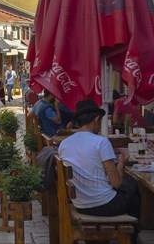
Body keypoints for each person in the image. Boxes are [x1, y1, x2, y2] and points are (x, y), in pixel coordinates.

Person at [58, 99, 140, 243]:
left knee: (127, 192)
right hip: (104, 205)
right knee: (132, 187)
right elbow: (116, 183)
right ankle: (131, 239)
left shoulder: (64, 144)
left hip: (80, 205)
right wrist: (121, 164)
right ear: (96, 119)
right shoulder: (101, 142)